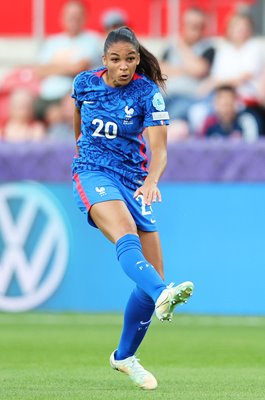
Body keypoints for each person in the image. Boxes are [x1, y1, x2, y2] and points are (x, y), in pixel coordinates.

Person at [71, 27, 194, 390]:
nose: (123, 67)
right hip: (93, 172)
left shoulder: (147, 93)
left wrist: (152, 180)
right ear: (103, 60)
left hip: (134, 180)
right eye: (115, 59)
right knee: (126, 235)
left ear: (138, 59)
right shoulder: (84, 83)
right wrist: (81, 157)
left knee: (151, 271)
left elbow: (160, 151)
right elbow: (77, 127)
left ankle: (124, 357)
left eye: (130, 59)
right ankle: (163, 294)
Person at [34, 0, 101, 120]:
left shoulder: (92, 40)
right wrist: (69, 67)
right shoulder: (52, 42)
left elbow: (80, 67)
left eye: (77, 16)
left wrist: (53, 67)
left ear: (84, 18)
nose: (73, 20)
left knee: (59, 112)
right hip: (46, 95)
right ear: (62, 17)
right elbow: (40, 71)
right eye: (70, 16)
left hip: (71, 96)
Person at [160, 6, 215, 120]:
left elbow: (199, 70)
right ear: (183, 25)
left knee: (171, 117)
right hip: (165, 95)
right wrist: (186, 70)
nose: (194, 29)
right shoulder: (171, 47)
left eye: (197, 26)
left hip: (188, 97)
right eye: (190, 25)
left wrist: (182, 46)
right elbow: (159, 71)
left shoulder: (208, 48)